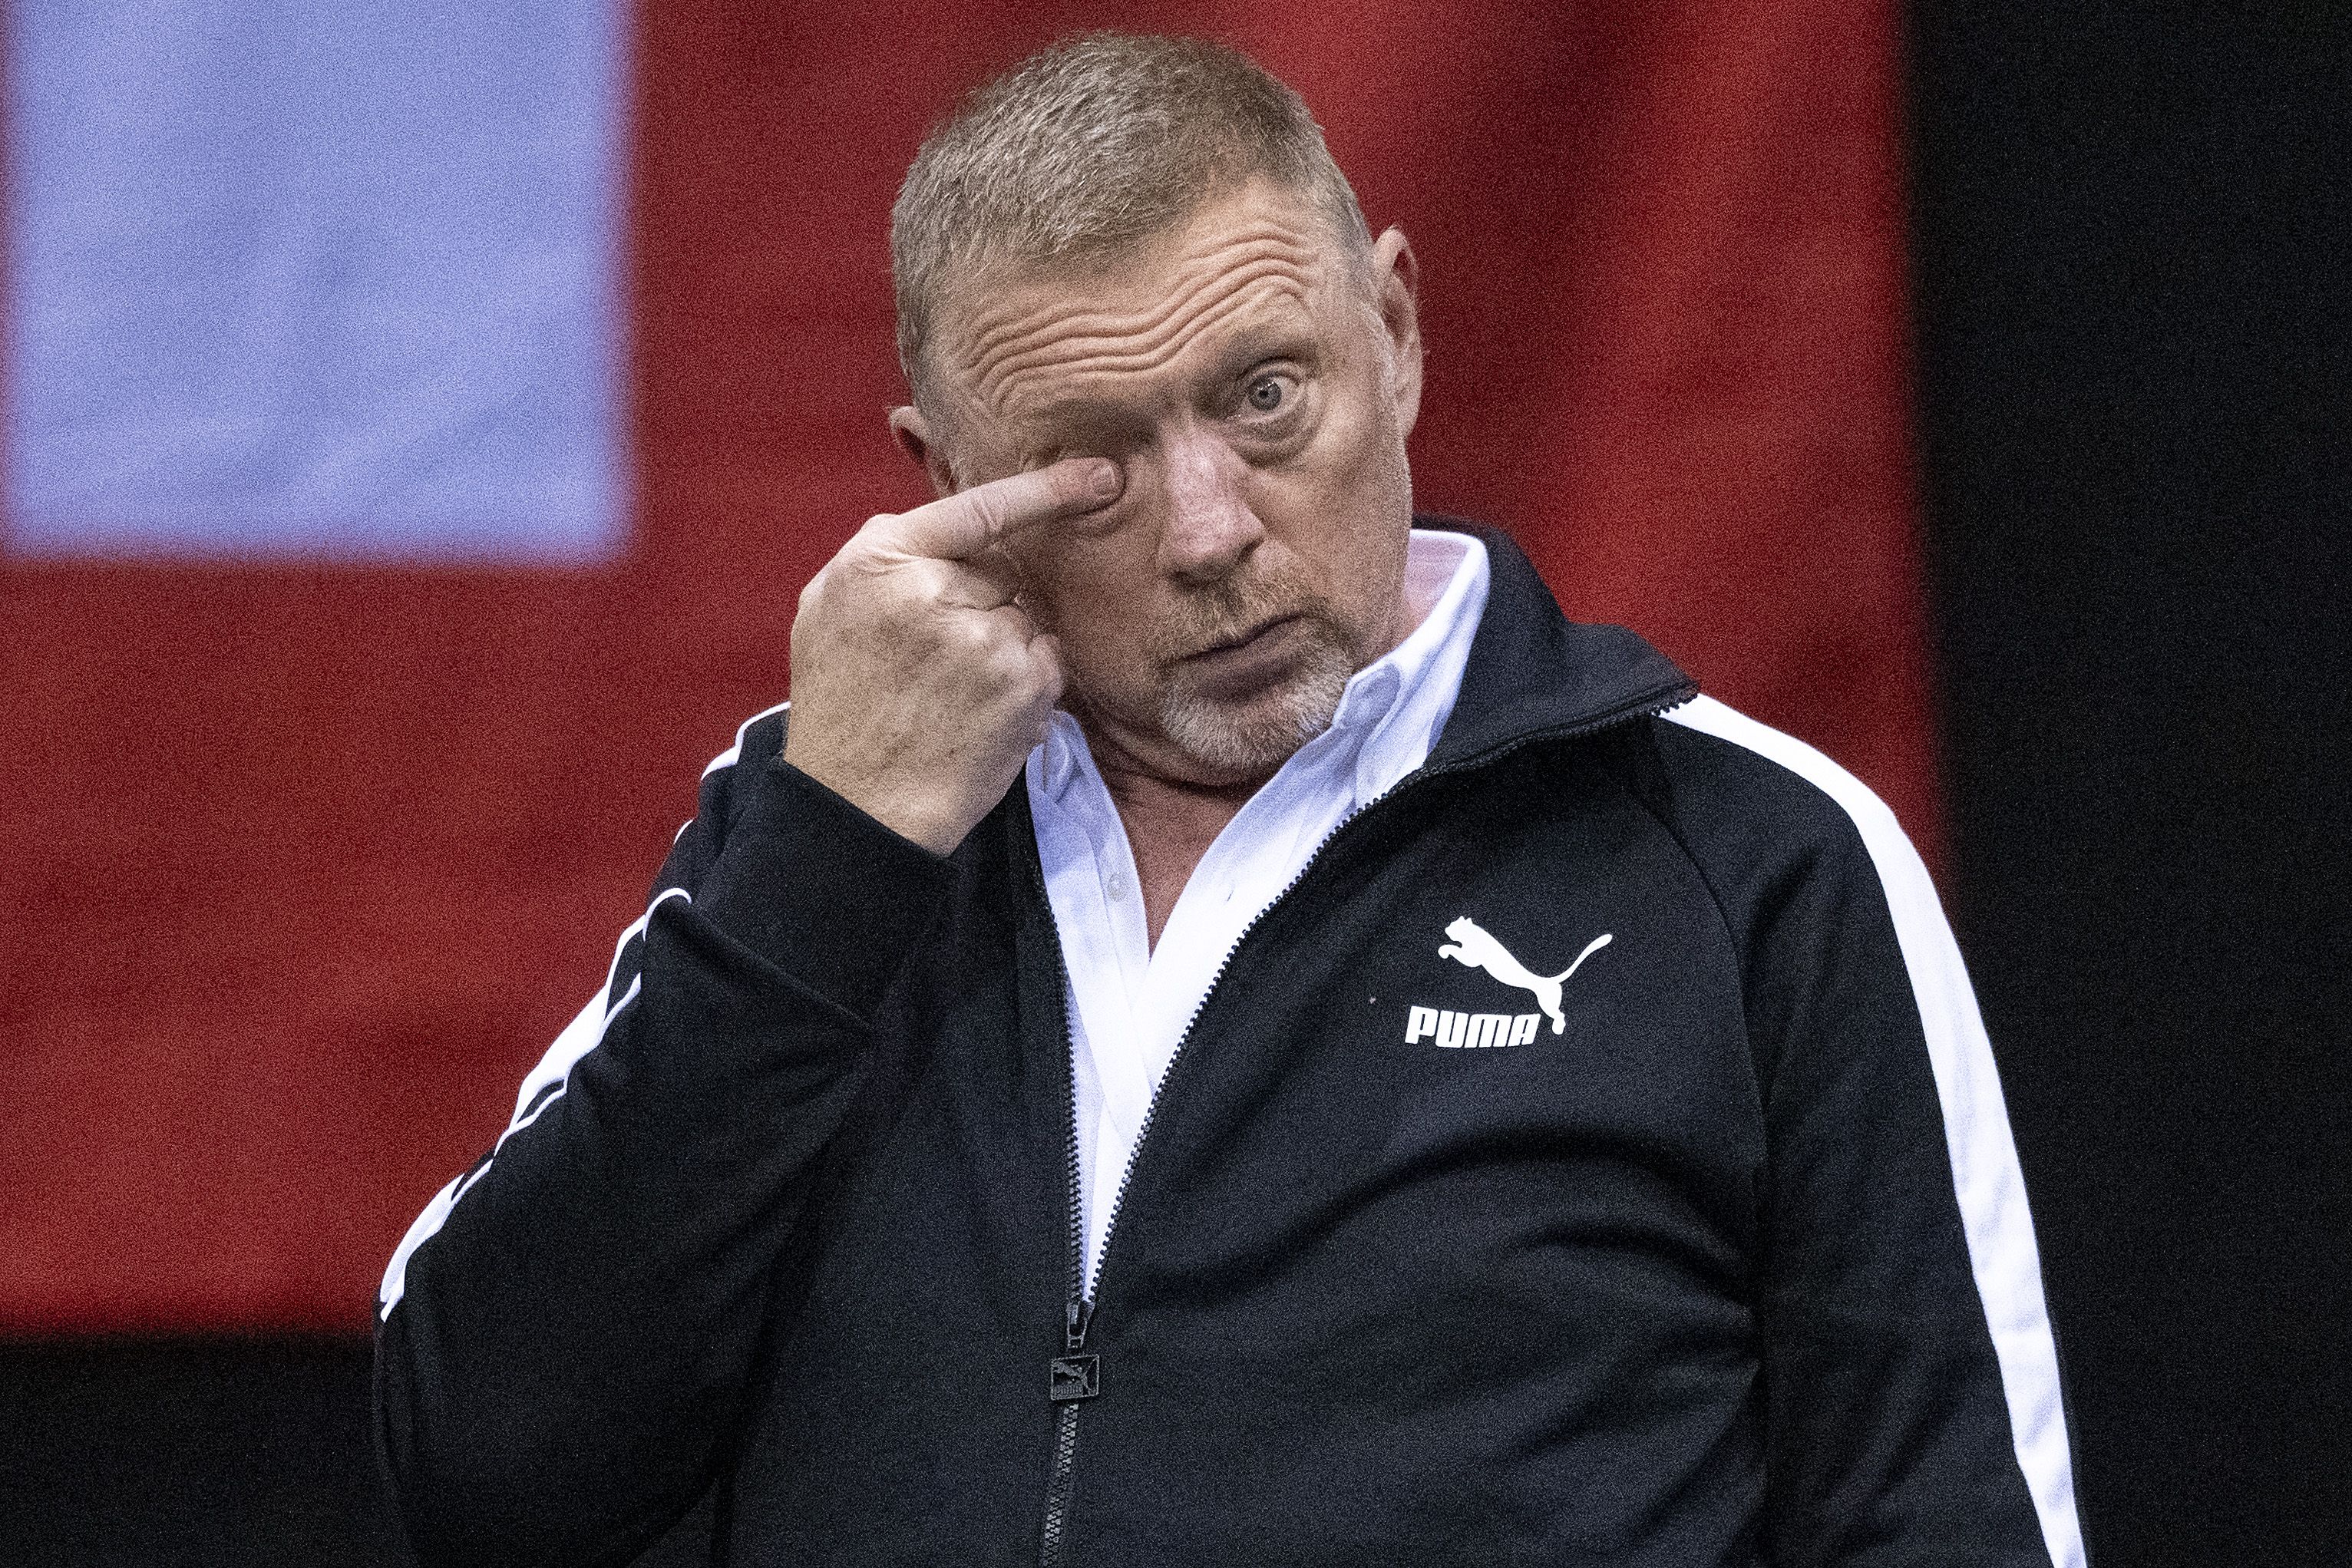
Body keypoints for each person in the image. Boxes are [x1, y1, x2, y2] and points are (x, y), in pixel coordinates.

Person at [375, 33, 2086, 1568]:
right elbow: (490, 1476)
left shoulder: (1745, 855)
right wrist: (833, 852)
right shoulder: (821, 840)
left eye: (1267, 397)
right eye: (1093, 462)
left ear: (1394, 334)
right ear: (952, 483)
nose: (1207, 528)